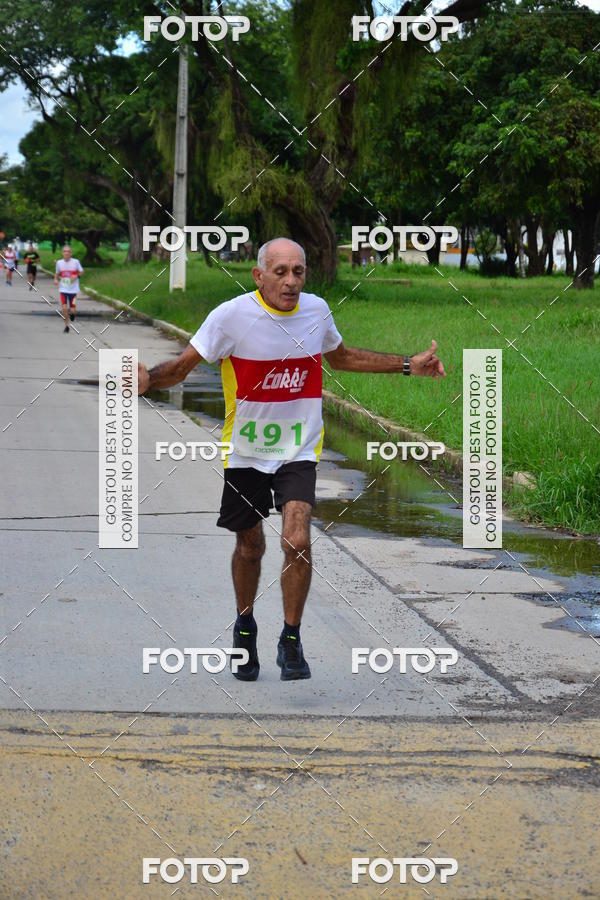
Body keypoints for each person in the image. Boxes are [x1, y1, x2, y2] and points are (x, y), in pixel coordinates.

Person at [137, 238, 445, 682]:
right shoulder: (231, 316)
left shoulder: (316, 311)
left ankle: (291, 637)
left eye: (298, 271)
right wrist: (149, 378)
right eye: (280, 271)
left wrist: (406, 365)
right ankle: (244, 626)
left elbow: (342, 357)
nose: (291, 281)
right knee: (251, 546)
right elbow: (184, 368)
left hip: (299, 450)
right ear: (258, 276)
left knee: (297, 540)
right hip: (245, 452)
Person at [53, 245, 83, 333]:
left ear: (71, 253)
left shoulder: (76, 262)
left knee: (72, 310)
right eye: (65, 251)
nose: (67, 253)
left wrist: (76, 276)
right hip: (63, 290)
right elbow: (57, 274)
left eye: (68, 251)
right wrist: (55, 279)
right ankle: (67, 326)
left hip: (74, 290)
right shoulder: (59, 263)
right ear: (62, 253)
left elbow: (81, 272)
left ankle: (73, 314)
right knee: (64, 309)